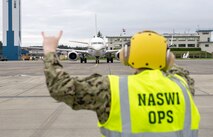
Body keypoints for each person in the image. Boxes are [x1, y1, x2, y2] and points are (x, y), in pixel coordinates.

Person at [42, 30, 200, 137]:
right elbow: (177, 70)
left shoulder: (110, 88)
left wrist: (50, 51)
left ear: (125, 56)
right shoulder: (183, 84)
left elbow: (60, 87)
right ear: (168, 58)